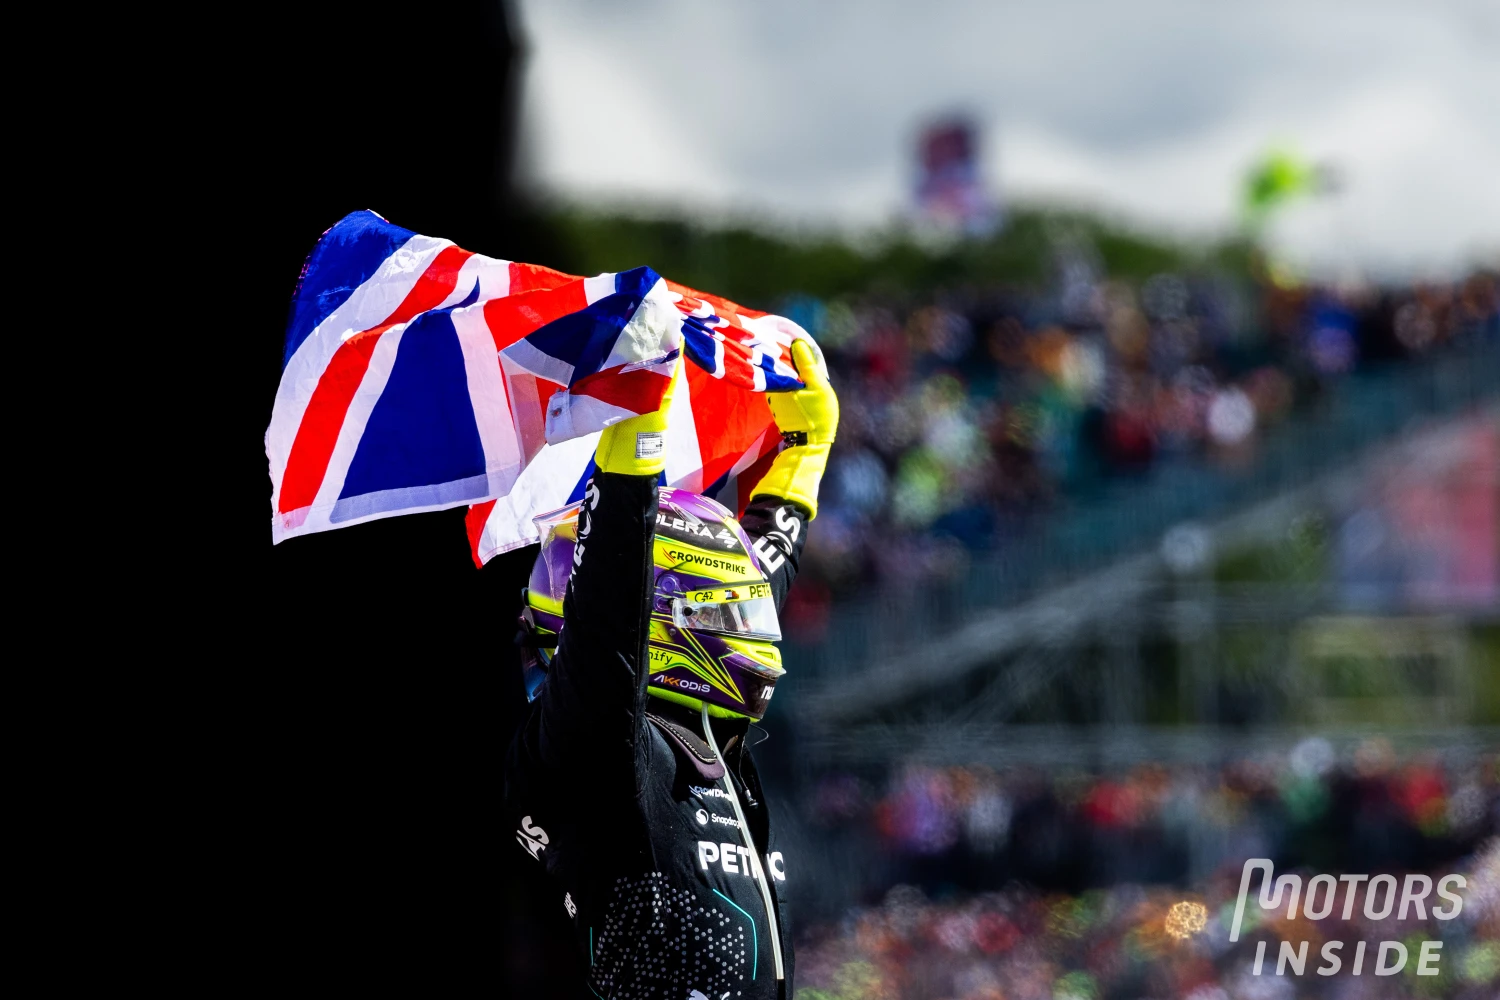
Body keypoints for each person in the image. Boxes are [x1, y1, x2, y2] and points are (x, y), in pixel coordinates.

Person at [504, 340, 838, 1000]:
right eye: (729, 614)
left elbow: (734, 588)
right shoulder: (597, 745)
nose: (752, 623)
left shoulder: (692, 734)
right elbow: (611, 614)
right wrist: (634, 450)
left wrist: (802, 457)